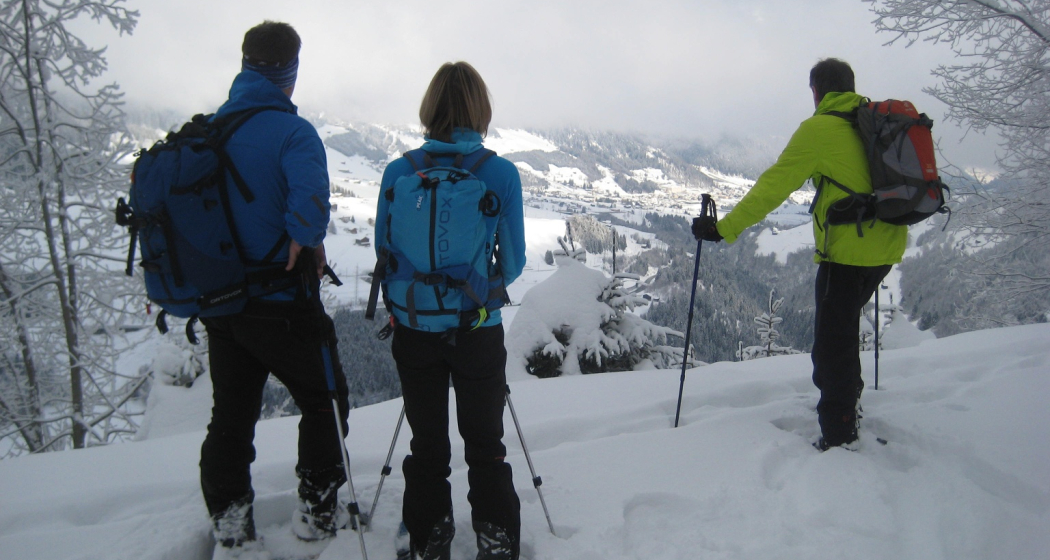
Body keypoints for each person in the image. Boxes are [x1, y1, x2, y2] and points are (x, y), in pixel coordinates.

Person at [692, 58, 907, 451]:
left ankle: (840, 431)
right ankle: (847, 401)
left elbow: (772, 187)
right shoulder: (873, 123)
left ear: (816, 92)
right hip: (887, 246)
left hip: (847, 252)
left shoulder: (819, 129)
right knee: (841, 331)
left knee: (832, 345)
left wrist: (723, 228)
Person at [197, 21, 351, 555]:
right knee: (326, 400)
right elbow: (309, 207)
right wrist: (304, 238)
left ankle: (232, 527)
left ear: (245, 64)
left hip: (221, 305)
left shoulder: (211, 129)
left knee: (231, 415)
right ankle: (314, 515)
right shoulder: (292, 131)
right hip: (281, 303)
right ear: (290, 71)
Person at [374, 61, 526, 560]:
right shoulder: (499, 174)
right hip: (477, 328)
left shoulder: (399, 172)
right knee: (485, 443)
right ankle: (496, 537)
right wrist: (481, 290)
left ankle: (428, 538)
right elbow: (517, 260)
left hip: (415, 328)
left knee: (428, 445)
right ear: (481, 109)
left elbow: (384, 253)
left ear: (430, 107)